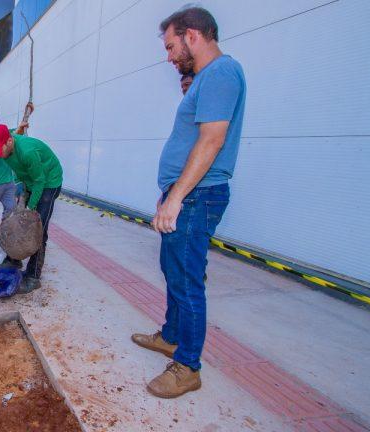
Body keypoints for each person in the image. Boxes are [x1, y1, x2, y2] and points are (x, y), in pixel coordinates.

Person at [131, 6, 246, 399]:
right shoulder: (205, 78)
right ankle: (172, 336)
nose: (168, 56)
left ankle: (188, 366)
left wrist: (176, 196)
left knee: (188, 279)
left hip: (197, 195)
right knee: (173, 268)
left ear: (192, 35)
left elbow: (212, 140)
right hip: (187, 194)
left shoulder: (222, 72)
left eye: (170, 45)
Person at [0, 124, 63, 294]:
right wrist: (21, 193)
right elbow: (18, 173)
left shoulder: (27, 152)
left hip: (49, 181)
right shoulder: (5, 150)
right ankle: (14, 260)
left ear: (10, 142)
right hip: (31, 179)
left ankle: (33, 277)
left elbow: (40, 180)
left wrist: (31, 208)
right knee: (17, 222)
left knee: (38, 228)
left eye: (0, 150)